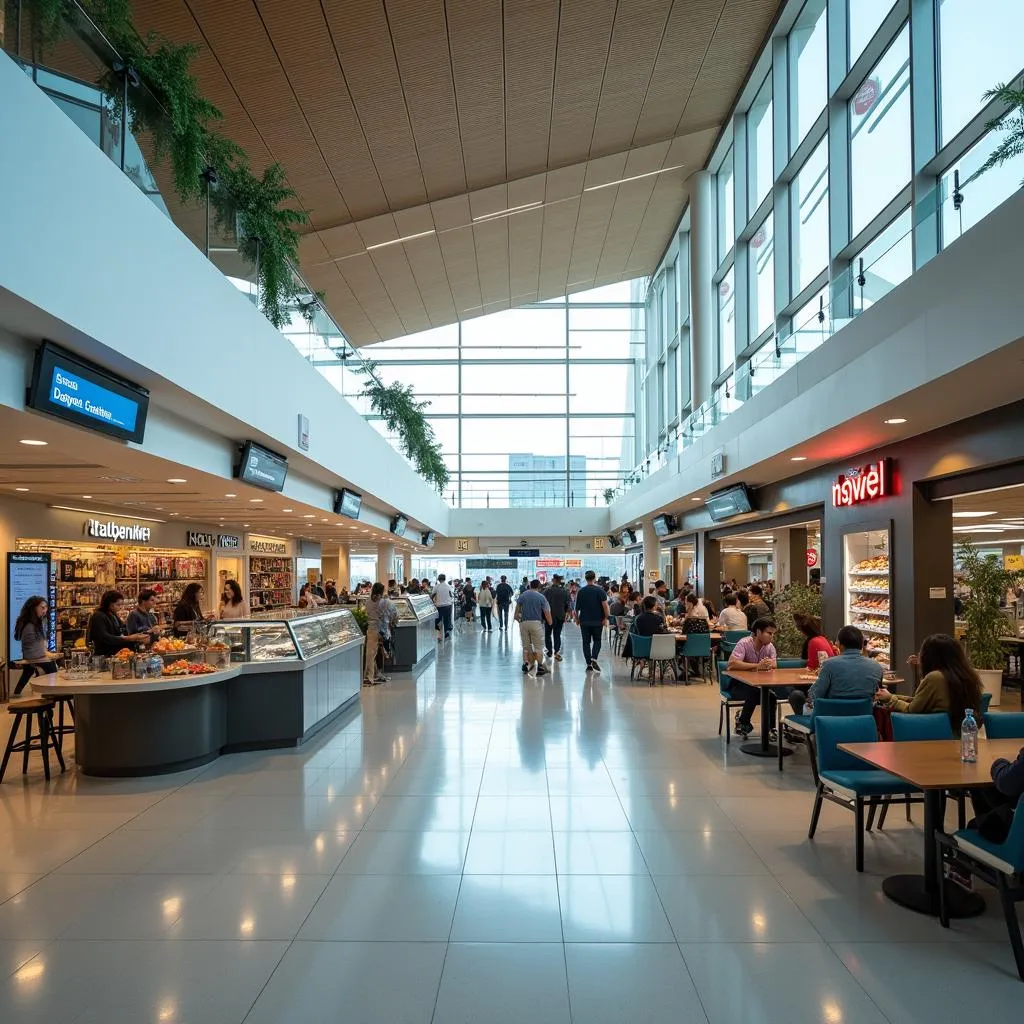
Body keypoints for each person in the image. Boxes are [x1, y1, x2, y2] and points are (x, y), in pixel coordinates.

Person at [875, 633, 983, 732]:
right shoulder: (965, 675)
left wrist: (890, 699)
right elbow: (921, 700)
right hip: (958, 734)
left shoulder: (935, 677)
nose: (919, 654)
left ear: (931, 656)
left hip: (934, 735)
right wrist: (893, 696)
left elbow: (912, 710)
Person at [789, 625, 882, 715]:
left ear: (840, 645)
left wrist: (810, 698)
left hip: (830, 718)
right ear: (861, 645)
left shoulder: (829, 664)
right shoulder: (876, 666)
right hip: (864, 718)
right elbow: (879, 694)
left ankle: (807, 727)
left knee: (796, 695)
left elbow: (815, 694)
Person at [725, 618, 779, 737]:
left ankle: (770, 729)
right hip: (738, 685)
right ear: (758, 632)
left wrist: (768, 664)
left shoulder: (769, 647)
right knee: (754, 692)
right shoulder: (744, 643)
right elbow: (732, 664)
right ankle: (743, 722)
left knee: (771, 697)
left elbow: (774, 664)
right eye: (769, 633)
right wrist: (758, 666)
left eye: (773, 634)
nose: (772, 636)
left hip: (760, 684)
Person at [13, 595, 57, 694]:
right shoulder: (30, 626)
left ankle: (17, 693)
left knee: (27, 672)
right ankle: (53, 693)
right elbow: (36, 647)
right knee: (53, 670)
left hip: (31, 655)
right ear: (34, 608)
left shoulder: (30, 623)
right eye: (42, 607)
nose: (45, 610)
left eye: (46, 608)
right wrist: (49, 655)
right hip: (34, 656)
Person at [88, 590, 149, 656]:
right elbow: (104, 637)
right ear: (110, 604)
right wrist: (128, 638)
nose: (120, 607)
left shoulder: (113, 614)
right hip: (105, 655)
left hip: (118, 653)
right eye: (118, 605)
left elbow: (122, 630)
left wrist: (138, 638)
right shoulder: (98, 616)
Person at [575, 570, 610, 674]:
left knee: (586, 642)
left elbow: (576, 608)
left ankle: (588, 664)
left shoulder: (581, 591)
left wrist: (577, 619)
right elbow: (605, 606)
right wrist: (606, 617)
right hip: (597, 621)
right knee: (597, 640)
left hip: (584, 621)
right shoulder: (600, 591)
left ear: (586, 579)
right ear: (594, 578)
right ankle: (594, 658)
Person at [515, 580, 552, 676]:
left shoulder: (523, 595)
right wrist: (550, 622)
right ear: (539, 587)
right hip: (536, 623)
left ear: (530, 585)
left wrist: (519, 620)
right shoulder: (541, 597)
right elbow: (546, 611)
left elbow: (516, 612)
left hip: (524, 623)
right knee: (538, 646)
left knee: (526, 645)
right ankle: (540, 666)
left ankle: (526, 664)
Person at [364, 582, 398, 685]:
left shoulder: (368, 602)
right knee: (374, 654)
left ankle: (372, 674)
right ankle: (370, 676)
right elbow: (395, 614)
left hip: (371, 630)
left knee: (371, 653)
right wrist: (392, 622)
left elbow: (367, 614)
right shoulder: (386, 602)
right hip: (383, 631)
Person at [543, 574, 570, 661]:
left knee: (547, 634)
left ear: (554, 580)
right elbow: (567, 604)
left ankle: (549, 651)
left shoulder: (547, 591)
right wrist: (566, 613)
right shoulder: (565, 591)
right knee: (557, 634)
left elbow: (543, 603)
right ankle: (556, 652)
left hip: (549, 616)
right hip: (560, 616)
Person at [433, 573, 454, 640]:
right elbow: (451, 595)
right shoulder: (448, 586)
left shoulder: (436, 586)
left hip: (439, 606)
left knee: (437, 619)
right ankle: (446, 631)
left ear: (439, 579)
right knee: (447, 619)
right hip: (448, 605)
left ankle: (437, 630)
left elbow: (432, 595)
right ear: (444, 579)